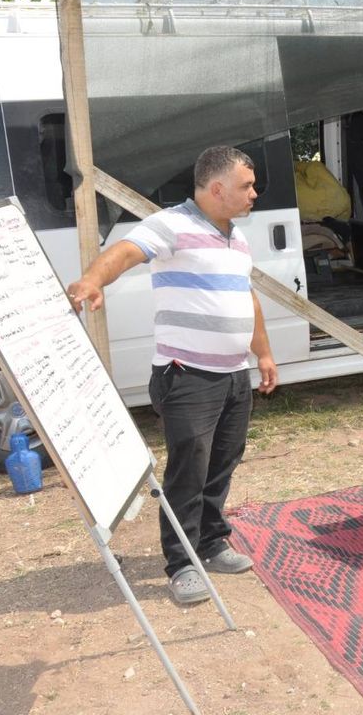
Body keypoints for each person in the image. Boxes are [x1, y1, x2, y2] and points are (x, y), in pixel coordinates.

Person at [66, 146, 279, 605]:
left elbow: (248, 300)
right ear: (217, 188)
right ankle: (181, 563)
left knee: (224, 459)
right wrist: (92, 281)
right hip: (187, 376)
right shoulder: (172, 225)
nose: (254, 193)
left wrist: (263, 355)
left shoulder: (236, 239)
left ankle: (209, 541)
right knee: (189, 468)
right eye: (246, 186)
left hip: (233, 374)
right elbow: (125, 251)